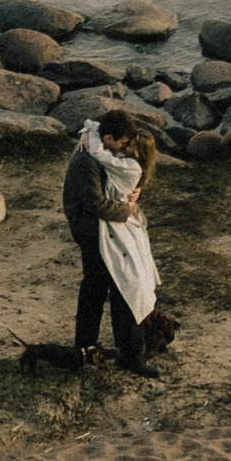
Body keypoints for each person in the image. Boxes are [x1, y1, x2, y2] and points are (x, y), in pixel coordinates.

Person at [62, 106, 161, 375]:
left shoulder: (97, 143)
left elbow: (92, 123)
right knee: (121, 283)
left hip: (97, 226)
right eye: (123, 143)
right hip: (90, 228)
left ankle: (86, 345)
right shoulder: (87, 162)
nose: (125, 149)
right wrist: (127, 210)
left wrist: (134, 192)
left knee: (95, 285)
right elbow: (96, 203)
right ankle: (129, 355)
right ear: (109, 139)